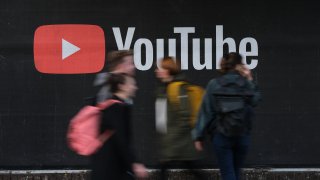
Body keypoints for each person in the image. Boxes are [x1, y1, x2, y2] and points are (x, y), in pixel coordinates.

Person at [192, 52, 261, 180]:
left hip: (221, 135)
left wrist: (198, 136)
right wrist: (250, 79)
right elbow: (256, 100)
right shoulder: (245, 83)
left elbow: (206, 111)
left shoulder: (214, 84)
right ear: (240, 65)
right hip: (242, 134)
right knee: (236, 172)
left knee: (228, 174)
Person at [155, 57, 205, 180]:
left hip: (180, 141)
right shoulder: (164, 88)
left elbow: (185, 115)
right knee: (190, 167)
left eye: (160, 68)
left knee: (190, 167)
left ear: (168, 70)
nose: (157, 71)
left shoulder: (178, 88)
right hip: (173, 141)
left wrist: (172, 138)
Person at [91, 73, 148, 180]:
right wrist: (134, 163)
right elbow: (121, 139)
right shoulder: (116, 108)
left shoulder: (117, 106)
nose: (135, 87)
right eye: (132, 84)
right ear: (122, 86)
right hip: (109, 167)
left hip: (111, 165)